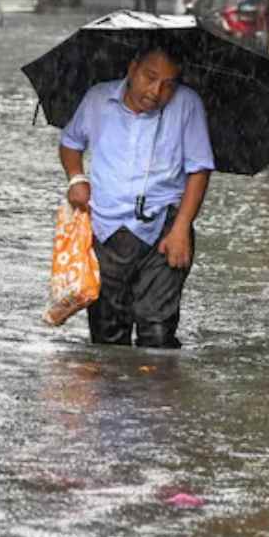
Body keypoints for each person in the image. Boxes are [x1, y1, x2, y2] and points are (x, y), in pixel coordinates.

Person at [58, 46, 214, 349]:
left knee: (156, 336)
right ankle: (115, 395)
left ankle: (156, 396)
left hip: (164, 230)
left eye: (168, 83)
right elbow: (70, 142)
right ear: (132, 69)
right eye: (150, 77)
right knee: (107, 340)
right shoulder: (97, 99)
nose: (157, 91)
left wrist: (182, 228)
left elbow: (199, 170)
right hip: (104, 229)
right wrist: (76, 177)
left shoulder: (187, 104)